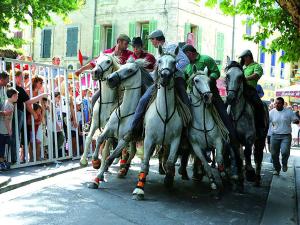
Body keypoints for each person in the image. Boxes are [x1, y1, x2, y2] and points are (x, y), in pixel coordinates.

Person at [182, 44, 242, 177]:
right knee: (183, 115)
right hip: (193, 96)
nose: (185, 57)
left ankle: (231, 138)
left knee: (223, 114)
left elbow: (216, 71)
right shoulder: (187, 66)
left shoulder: (206, 59)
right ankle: (184, 143)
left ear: (190, 52)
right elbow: (186, 79)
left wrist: (209, 79)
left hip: (210, 92)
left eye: (185, 54)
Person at [123, 29, 190, 141]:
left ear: (156, 39)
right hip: (159, 81)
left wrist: (171, 70)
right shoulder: (158, 52)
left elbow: (185, 60)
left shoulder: (172, 46)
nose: (152, 43)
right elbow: (156, 71)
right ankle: (133, 129)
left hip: (176, 79)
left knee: (186, 100)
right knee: (143, 100)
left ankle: (187, 134)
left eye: (152, 40)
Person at [75, 34, 132, 106]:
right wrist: (81, 70)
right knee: (94, 99)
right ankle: (93, 117)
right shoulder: (107, 53)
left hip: (123, 85)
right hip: (108, 85)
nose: (127, 46)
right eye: (125, 44)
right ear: (119, 42)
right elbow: (94, 63)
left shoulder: (130, 54)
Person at [239, 49, 267, 138]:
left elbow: (257, 75)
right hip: (239, 91)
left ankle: (260, 127)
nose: (242, 61)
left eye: (243, 59)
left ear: (248, 57)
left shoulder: (257, 66)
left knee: (259, 105)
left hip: (250, 91)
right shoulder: (242, 68)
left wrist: (245, 79)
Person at [269, 97, 299, 175]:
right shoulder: (272, 112)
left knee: (285, 152)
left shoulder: (288, 112)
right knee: (274, 154)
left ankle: (284, 163)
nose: (276, 105)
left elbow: (295, 119)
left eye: (278, 103)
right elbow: (266, 122)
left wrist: (296, 121)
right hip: (275, 135)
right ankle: (277, 168)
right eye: (275, 103)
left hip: (286, 136)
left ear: (282, 104)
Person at [0, 87, 18, 170]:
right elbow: (7, 119)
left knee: (3, 146)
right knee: (3, 147)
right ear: (14, 96)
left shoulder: (6, 102)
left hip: (3, 129)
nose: (17, 97)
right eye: (17, 96)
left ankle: (3, 162)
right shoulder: (10, 105)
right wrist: (9, 130)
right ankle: (2, 163)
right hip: (4, 130)